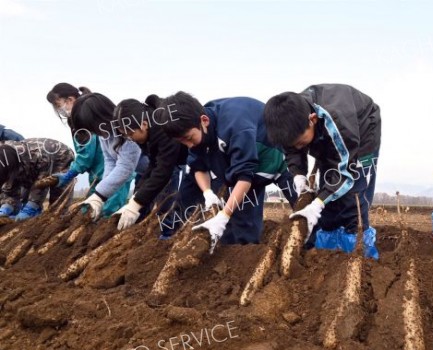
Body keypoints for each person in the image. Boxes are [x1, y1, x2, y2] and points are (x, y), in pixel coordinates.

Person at [155, 91, 296, 245]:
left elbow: (244, 177)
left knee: (303, 208)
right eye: (182, 141)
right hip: (243, 168)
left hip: (277, 158)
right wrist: (207, 192)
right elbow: (198, 167)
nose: (189, 145)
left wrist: (224, 215)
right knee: (236, 230)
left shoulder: (235, 125)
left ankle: (316, 253)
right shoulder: (198, 129)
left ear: (204, 121)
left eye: (189, 138)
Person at [263, 83, 381, 259]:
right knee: (329, 193)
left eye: (301, 142)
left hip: (362, 131)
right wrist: (298, 174)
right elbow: (293, 149)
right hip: (327, 134)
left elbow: (345, 171)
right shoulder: (290, 122)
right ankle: (328, 256)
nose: (297, 147)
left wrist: (317, 204)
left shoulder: (337, 121)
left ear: (312, 119)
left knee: (353, 193)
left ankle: (360, 255)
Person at [111, 95, 188, 236]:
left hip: (192, 157)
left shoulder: (164, 128)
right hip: (173, 161)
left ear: (143, 125)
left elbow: (163, 171)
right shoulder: (149, 132)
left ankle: (168, 234)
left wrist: (136, 203)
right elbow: (153, 164)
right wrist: (135, 197)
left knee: (179, 198)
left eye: (130, 134)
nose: (130, 139)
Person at [69, 93, 143, 222]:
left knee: (157, 210)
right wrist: (102, 194)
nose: (96, 133)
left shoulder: (127, 128)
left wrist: (99, 195)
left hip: (159, 171)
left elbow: (125, 167)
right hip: (143, 173)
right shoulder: (104, 134)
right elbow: (110, 161)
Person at [0, 139, 74, 220]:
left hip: (60, 155)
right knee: (19, 186)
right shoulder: (4, 159)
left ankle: (61, 222)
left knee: (58, 199)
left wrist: (32, 206)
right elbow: (9, 185)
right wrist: (6, 205)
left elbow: (41, 184)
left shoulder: (39, 157)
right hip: (26, 163)